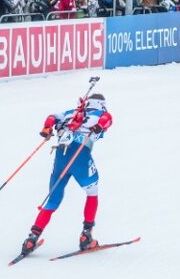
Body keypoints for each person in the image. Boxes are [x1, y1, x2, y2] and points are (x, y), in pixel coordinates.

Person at [20, 93, 113, 258]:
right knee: (92, 192)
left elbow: (52, 117)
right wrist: (99, 126)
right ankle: (86, 235)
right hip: (80, 157)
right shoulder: (99, 113)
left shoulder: (71, 113)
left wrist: (47, 128)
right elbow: (108, 118)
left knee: (53, 200)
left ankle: (32, 238)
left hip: (61, 158)